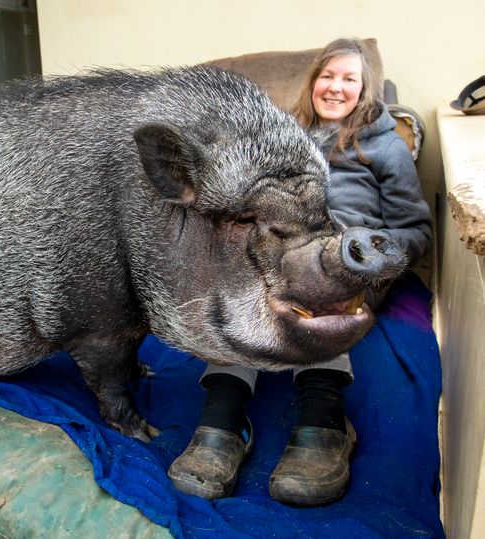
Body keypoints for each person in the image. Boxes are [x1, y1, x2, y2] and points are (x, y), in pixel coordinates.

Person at [168, 37, 432, 506]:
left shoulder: (387, 148)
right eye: (327, 76)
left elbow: (414, 229)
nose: (335, 88)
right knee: (242, 292)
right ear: (313, 83)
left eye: (349, 79)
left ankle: (323, 420)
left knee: (318, 295)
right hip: (284, 251)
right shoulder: (281, 139)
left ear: (365, 90)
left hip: (349, 263)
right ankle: (223, 421)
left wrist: (374, 253)